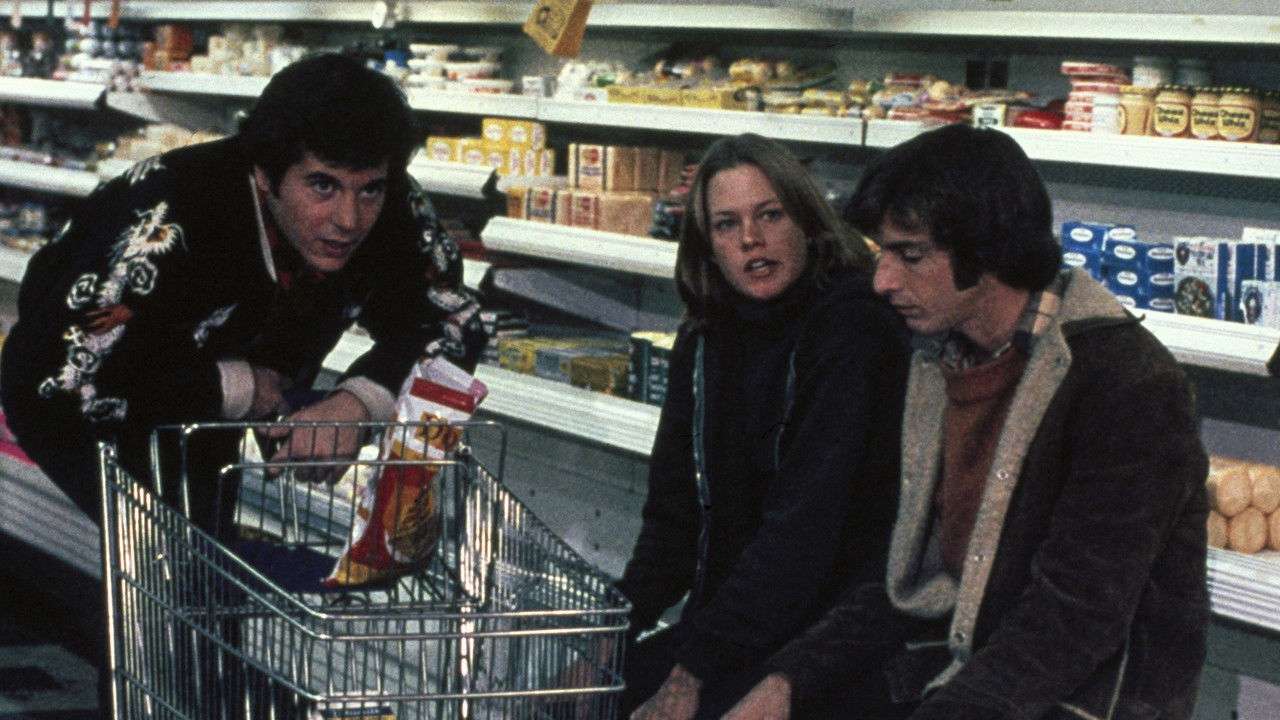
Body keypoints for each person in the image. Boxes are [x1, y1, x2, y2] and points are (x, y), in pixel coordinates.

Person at [0, 51, 486, 717]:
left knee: (201, 587)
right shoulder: (170, 211)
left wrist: (360, 400)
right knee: (172, 571)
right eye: (322, 186)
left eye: (369, 189)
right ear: (264, 173)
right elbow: (58, 376)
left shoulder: (392, 206)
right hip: (85, 402)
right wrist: (231, 388)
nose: (348, 219)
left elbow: (455, 319)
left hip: (214, 404)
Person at [725, 123, 1210, 720]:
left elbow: (1072, 619)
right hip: (959, 668)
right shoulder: (938, 359)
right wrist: (787, 681)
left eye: (911, 255)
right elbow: (900, 577)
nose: (882, 281)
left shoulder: (1125, 383)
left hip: (1082, 700)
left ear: (989, 250)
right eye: (882, 253)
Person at [616, 133, 911, 720]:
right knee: (581, 696)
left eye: (770, 215)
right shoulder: (706, 335)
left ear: (807, 220)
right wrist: (610, 631)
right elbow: (673, 517)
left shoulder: (854, 326)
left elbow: (803, 533)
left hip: (831, 643)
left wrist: (693, 669)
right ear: (706, 245)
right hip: (733, 627)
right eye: (726, 224)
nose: (751, 238)